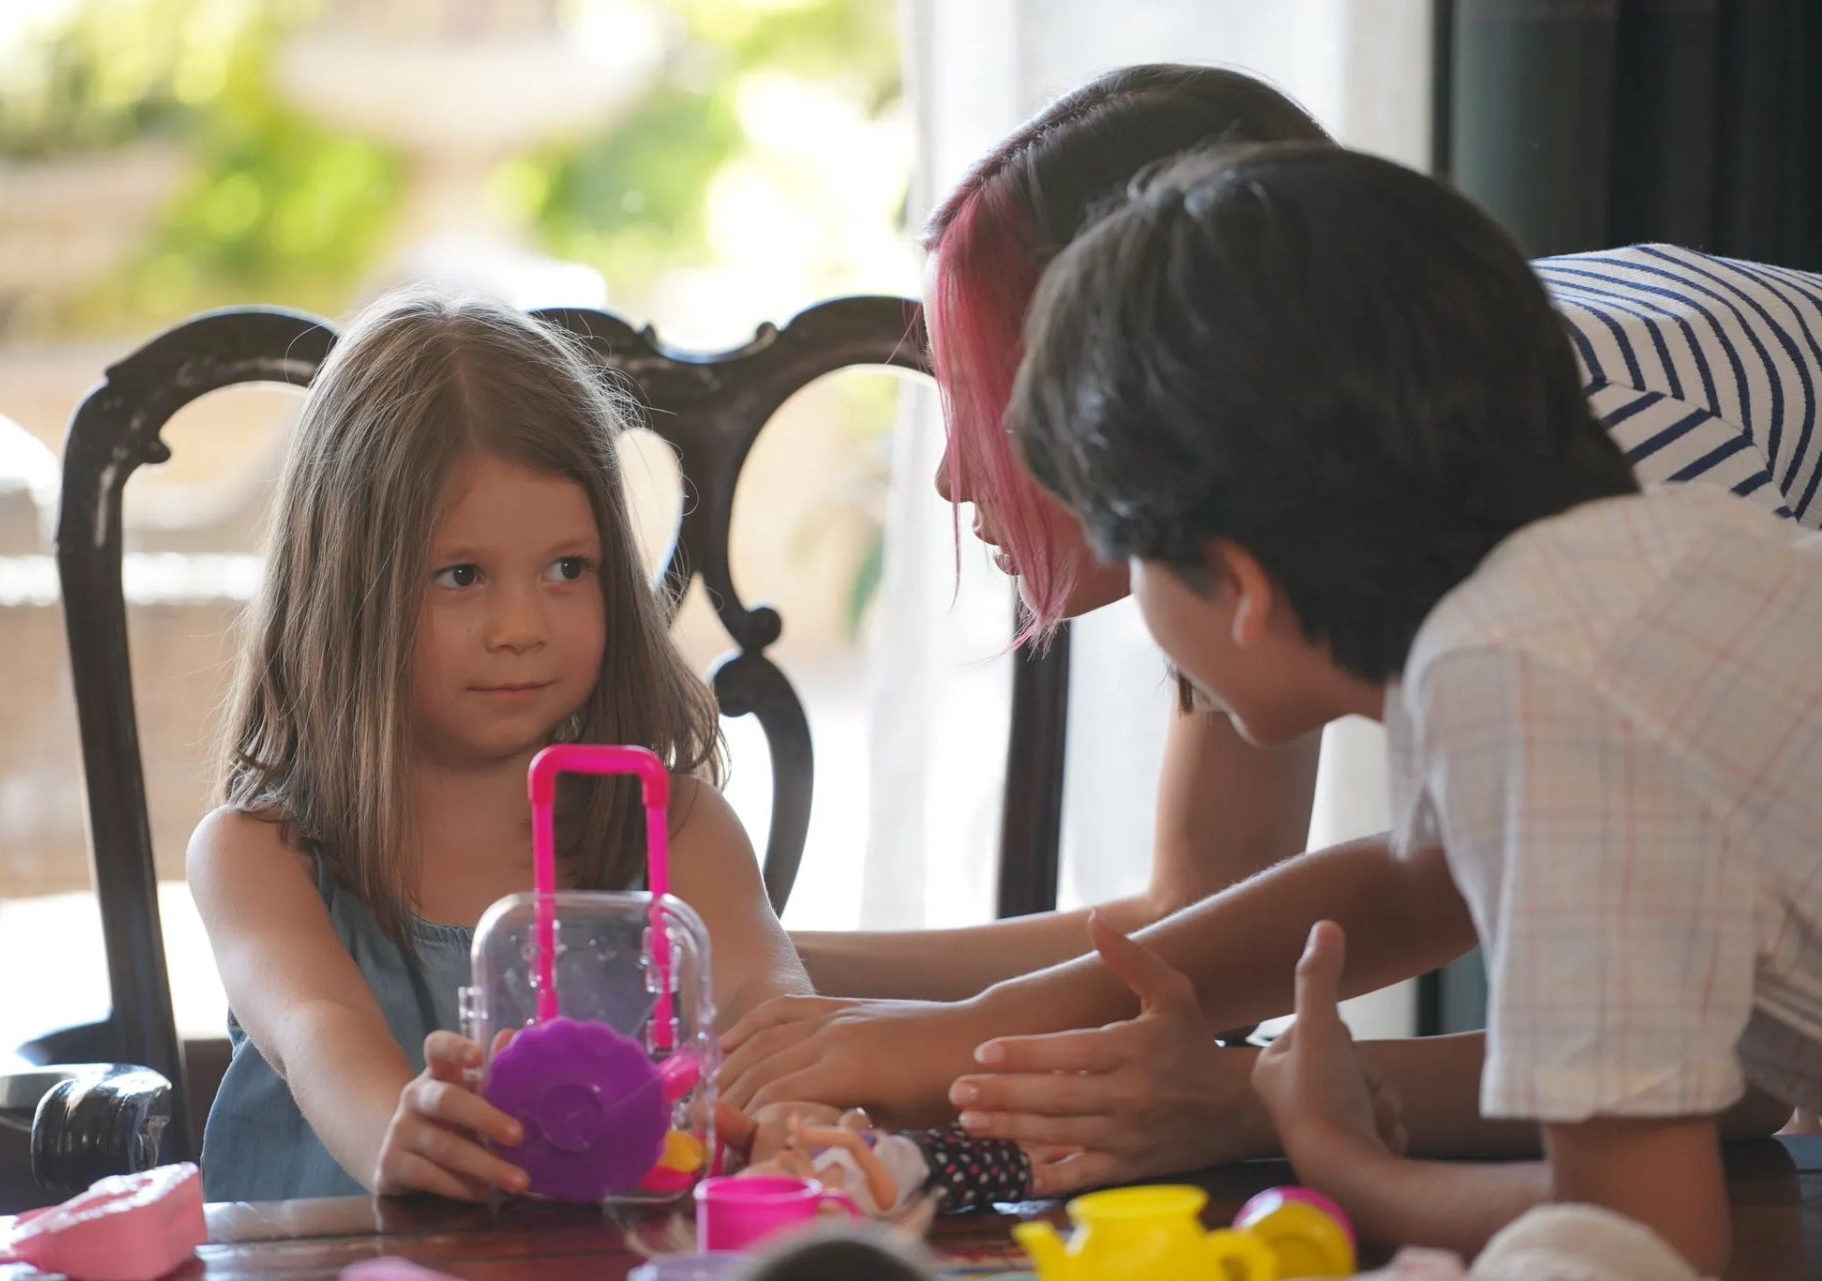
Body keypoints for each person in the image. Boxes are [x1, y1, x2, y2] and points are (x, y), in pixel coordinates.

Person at [731, 63, 1818, 1192]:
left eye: (1001, 408)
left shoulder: (1614, 503)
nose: (959, 476)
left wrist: (1259, 1105)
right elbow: (1278, 892)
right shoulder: (1356, 464)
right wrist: (762, 961)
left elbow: (1721, 1074)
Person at [1005, 141, 1822, 1271]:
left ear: (1239, 584)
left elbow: (1640, 1242)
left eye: (1128, 551)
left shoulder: (1523, 685)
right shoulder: (1655, 562)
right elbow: (1417, 886)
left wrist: (1344, 1164)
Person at [192, 289, 809, 1202]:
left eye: (568, 568)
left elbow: (774, 1017)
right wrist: (395, 1130)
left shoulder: (677, 832)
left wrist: (800, 1113)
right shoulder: (259, 852)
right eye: (461, 575)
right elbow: (317, 1028)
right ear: (347, 591)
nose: (520, 626)